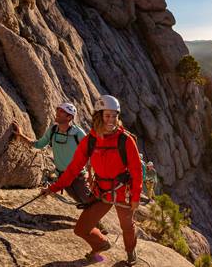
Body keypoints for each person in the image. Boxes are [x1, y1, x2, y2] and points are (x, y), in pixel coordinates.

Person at [42, 95, 142, 265]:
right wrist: (53, 188)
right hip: (101, 191)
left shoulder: (125, 140)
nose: (111, 120)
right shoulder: (91, 140)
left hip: (121, 190)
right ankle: (101, 244)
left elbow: (136, 170)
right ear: (99, 116)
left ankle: (131, 252)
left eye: (114, 115)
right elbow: (73, 168)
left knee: (127, 226)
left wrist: (136, 196)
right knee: (81, 229)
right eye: (107, 115)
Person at [12, 103, 93, 204]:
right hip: (62, 177)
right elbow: (38, 144)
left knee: (90, 203)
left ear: (69, 117)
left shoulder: (78, 133)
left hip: (78, 177)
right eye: (58, 110)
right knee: (81, 202)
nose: (57, 113)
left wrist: (90, 175)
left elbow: (90, 153)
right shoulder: (53, 130)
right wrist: (21, 135)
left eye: (62, 111)